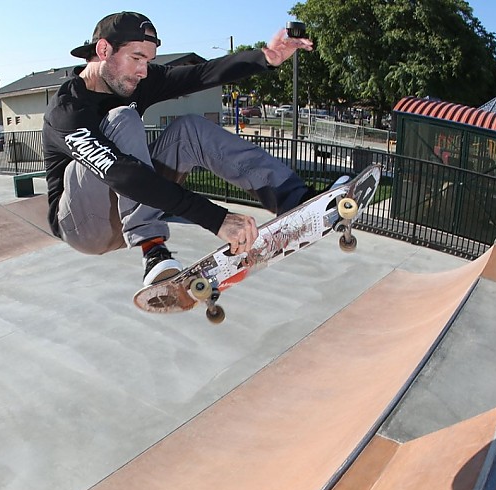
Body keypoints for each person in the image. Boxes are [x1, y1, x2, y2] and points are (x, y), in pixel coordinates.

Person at [43, 12, 315, 286]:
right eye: (136, 58)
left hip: (126, 208)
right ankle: (152, 248)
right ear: (103, 50)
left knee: (189, 129)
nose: (143, 71)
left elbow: (200, 74)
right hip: (84, 225)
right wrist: (216, 218)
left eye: (148, 61)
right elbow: (122, 174)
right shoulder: (67, 109)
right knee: (123, 118)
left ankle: (295, 197)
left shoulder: (139, 81)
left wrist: (265, 57)